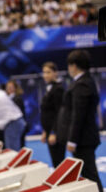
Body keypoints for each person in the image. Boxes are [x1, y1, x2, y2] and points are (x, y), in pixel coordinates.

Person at [53, 50, 102, 191]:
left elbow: (78, 114)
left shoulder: (83, 84)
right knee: (87, 174)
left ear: (73, 65)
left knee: (89, 175)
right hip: (83, 138)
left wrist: (72, 140)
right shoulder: (83, 82)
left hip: (83, 139)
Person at [39, 62, 65, 167]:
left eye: (48, 72)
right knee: (55, 162)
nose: (45, 75)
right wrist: (46, 131)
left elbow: (59, 113)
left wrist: (54, 132)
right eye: (44, 72)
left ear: (55, 73)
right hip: (50, 131)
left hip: (57, 132)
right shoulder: (49, 88)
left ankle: (64, 183)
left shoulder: (58, 89)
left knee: (58, 162)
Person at [5, 80, 26, 147]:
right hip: (9, 126)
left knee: (17, 146)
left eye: (11, 87)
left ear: (15, 88)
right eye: (8, 87)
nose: (9, 89)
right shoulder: (6, 98)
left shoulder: (17, 99)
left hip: (16, 125)